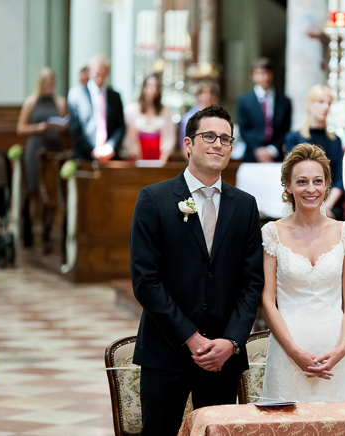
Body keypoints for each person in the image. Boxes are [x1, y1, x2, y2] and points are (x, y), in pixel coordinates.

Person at [129, 105, 264, 436]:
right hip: (166, 351)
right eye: (209, 136)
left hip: (223, 358)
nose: (218, 144)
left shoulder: (244, 205)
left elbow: (251, 283)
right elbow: (145, 281)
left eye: (226, 139)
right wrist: (191, 338)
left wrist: (230, 342)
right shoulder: (154, 199)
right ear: (188, 143)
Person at [260, 143, 345, 402]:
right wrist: (294, 352)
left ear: (327, 184)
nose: (310, 189)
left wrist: (341, 349)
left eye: (318, 181)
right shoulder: (272, 234)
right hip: (288, 354)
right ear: (288, 186)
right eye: (301, 182)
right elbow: (266, 301)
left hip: (337, 355)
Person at [17, 68, 67, 223]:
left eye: (52, 84)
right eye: (47, 84)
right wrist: (38, 127)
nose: (50, 87)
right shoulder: (31, 102)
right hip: (35, 147)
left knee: (54, 191)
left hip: (54, 147)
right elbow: (20, 128)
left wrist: (62, 126)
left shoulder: (60, 102)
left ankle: (50, 231)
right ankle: (35, 232)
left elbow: (65, 123)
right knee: (35, 191)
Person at [285, 84, 343, 219]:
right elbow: (292, 178)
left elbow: (339, 180)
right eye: (321, 102)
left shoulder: (335, 140)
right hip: (302, 203)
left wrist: (326, 206)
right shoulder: (294, 138)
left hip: (331, 207)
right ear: (309, 105)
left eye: (329, 103)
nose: (326, 107)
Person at [67, 54, 125, 162]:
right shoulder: (77, 95)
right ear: (89, 72)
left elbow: (120, 126)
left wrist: (110, 147)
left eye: (104, 74)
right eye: (97, 74)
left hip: (110, 157)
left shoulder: (115, 97)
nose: (100, 78)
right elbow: (75, 128)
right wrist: (93, 150)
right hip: (84, 157)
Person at [237, 58, 292, 162]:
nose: (264, 78)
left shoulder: (285, 101)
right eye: (260, 74)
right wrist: (258, 149)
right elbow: (244, 129)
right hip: (252, 156)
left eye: (267, 73)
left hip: (276, 156)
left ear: (272, 74)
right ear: (253, 76)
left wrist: (272, 150)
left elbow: (286, 129)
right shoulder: (244, 101)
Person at [123, 73, 177, 164]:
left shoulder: (165, 110)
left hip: (160, 156)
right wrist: (135, 154)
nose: (152, 90)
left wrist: (164, 156)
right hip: (138, 155)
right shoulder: (132, 109)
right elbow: (129, 135)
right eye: (149, 86)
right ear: (143, 88)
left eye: (156, 87)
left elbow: (169, 135)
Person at [179, 81, 219, 147]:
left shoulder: (219, 115)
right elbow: (184, 142)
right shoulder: (189, 116)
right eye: (204, 93)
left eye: (210, 93)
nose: (208, 96)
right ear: (198, 95)